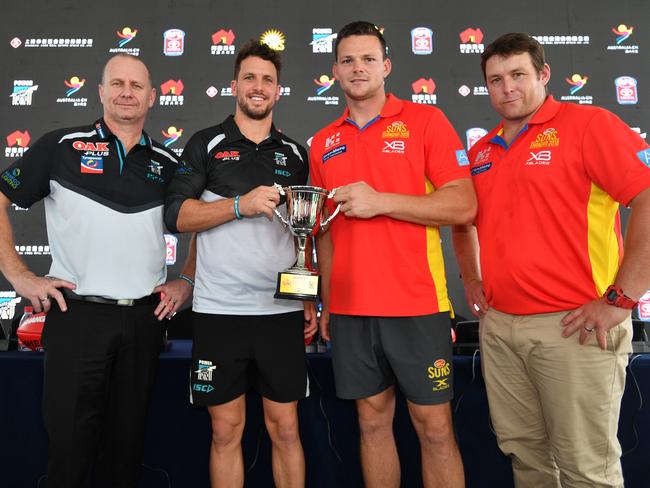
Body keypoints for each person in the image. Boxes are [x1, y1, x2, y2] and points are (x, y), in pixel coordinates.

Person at [452, 32, 650, 488]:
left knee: (587, 467)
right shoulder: (482, 153)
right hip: (501, 327)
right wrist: (473, 279)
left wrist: (621, 299)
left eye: (518, 75)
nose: (508, 88)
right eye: (496, 79)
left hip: (574, 325)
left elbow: (644, 197)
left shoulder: (589, 125)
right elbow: (463, 221)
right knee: (527, 459)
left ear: (543, 75)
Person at [0, 54, 194, 487]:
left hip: (145, 321)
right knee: (68, 457)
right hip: (77, 317)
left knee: (125, 460)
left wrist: (187, 279)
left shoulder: (167, 162)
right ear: (101, 91)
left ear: (153, 96)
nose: (127, 92)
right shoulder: (60, 146)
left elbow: (202, 218)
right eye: (118, 83)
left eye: (137, 85)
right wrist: (18, 275)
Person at [309, 21, 475, 488]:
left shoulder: (426, 121)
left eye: (367, 59)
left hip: (416, 304)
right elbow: (323, 233)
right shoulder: (323, 142)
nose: (357, 68)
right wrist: (326, 300)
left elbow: (463, 204)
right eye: (347, 60)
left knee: (436, 430)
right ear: (334, 72)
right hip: (350, 311)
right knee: (371, 424)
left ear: (386, 66)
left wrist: (382, 200)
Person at [164, 39, 317, 487]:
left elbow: (304, 236)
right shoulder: (205, 144)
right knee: (225, 430)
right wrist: (238, 205)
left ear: (278, 91)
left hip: (280, 312)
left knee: (286, 430)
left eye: (267, 80)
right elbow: (176, 214)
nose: (258, 86)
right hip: (219, 311)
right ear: (233, 85)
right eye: (249, 77)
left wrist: (309, 297)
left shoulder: (295, 154)